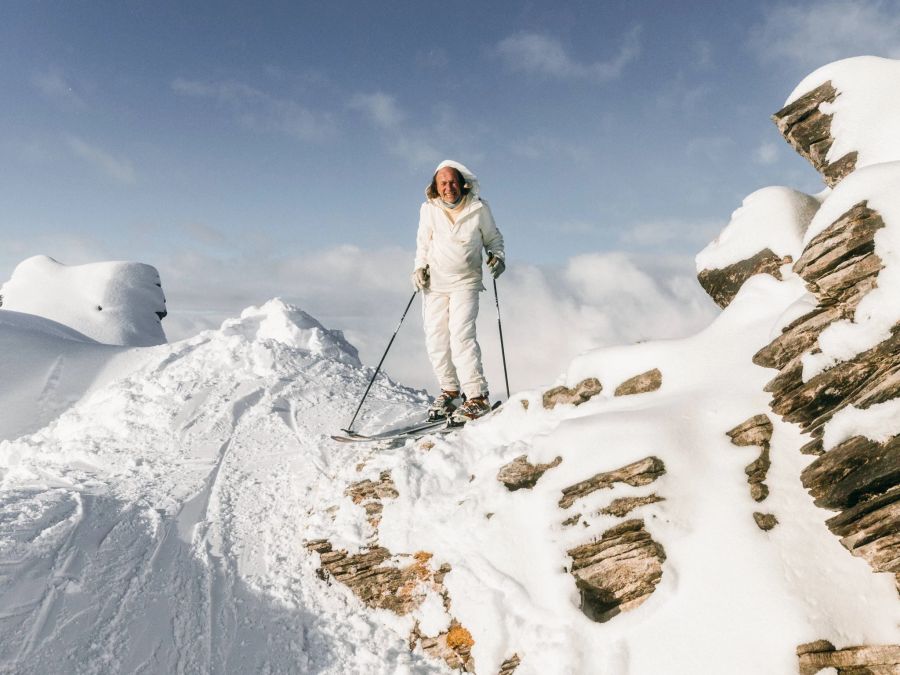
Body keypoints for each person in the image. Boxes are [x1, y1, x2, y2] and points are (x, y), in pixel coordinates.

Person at [411, 159, 505, 424]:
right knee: (436, 339)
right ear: (435, 186)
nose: (448, 187)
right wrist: (419, 268)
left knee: (461, 337)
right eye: (442, 183)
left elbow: (494, 239)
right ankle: (451, 393)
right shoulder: (428, 209)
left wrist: (497, 258)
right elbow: (422, 243)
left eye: (452, 182)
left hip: (466, 281)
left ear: (463, 183)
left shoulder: (478, 208)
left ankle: (477, 397)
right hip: (435, 284)